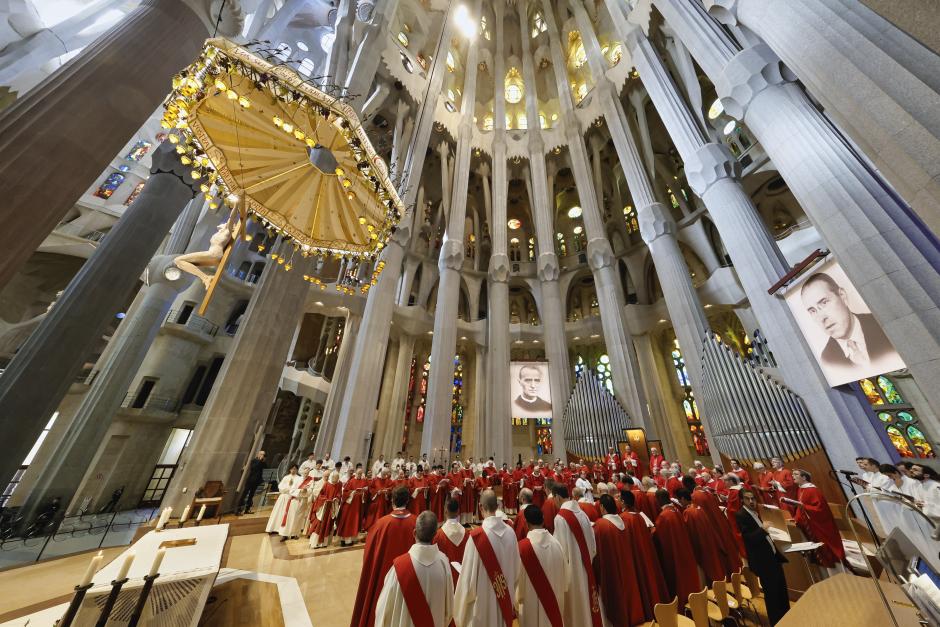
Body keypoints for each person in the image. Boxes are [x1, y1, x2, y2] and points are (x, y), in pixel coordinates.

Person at [350, 486, 417, 627]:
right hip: (411, 580)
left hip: (383, 577)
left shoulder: (381, 524)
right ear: (408, 500)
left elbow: (369, 554)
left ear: (392, 500)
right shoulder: (416, 523)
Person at [375, 511, 454, 627]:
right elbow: (449, 610)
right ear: (435, 535)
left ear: (414, 533)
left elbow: (383, 611)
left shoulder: (399, 567)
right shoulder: (444, 564)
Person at [800, 272, 894, 370]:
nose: (821, 317)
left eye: (824, 303)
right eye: (813, 311)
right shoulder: (828, 359)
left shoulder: (882, 323)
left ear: (842, 296)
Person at [454, 489, 520, 626]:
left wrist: (459, 612)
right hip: (505, 602)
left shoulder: (477, 537)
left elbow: (467, 582)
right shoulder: (511, 533)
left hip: (482, 609)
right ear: (498, 506)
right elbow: (516, 572)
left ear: (480, 507)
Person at [736, 489, 790, 625]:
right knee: (772, 596)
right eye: (748, 499)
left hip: (772, 558)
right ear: (742, 500)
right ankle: (778, 622)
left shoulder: (754, 512)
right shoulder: (741, 515)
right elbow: (748, 538)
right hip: (763, 562)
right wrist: (763, 529)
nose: (752, 501)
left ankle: (789, 618)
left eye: (753, 498)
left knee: (781, 591)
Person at [552, 484, 602, 627]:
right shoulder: (582, 513)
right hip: (587, 568)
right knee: (587, 604)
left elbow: (560, 552)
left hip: (572, 573)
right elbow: (593, 546)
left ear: (557, 497)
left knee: (576, 611)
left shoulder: (560, 518)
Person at [593, 494, 645, 626]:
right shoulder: (623, 521)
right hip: (627, 566)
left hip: (612, 571)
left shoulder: (601, 525)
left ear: (603, 507)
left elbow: (596, 553)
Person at [619, 490, 668, 622]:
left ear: (623, 501)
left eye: (620, 498)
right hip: (647, 554)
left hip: (635, 557)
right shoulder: (640, 515)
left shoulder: (624, 518)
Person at [516, 505, 567, 627]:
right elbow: (565, 581)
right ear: (543, 520)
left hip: (531, 605)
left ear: (526, 523)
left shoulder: (522, 548)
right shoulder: (557, 544)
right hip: (554, 606)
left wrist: (517, 600)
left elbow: (518, 586)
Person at [652, 489, 701, 607]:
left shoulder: (663, 516)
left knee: (679, 583)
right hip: (685, 551)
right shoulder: (676, 510)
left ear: (658, 500)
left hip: (675, 554)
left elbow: (658, 535)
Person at [786, 469, 845, 568]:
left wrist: (803, 506)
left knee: (828, 550)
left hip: (820, 525)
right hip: (810, 523)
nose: (792, 476)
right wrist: (796, 518)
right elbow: (801, 507)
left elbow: (820, 509)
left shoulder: (812, 490)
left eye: (795, 474)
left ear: (804, 477)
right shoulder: (801, 489)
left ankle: (837, 568)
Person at [677, 488, 729, 583]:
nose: (680, 503)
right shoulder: (698, 507)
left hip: (702, 545)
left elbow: (690, 532)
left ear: (683, 499)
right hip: (709, 541)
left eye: (679, 500)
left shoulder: (688, 512)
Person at [433, 498, 467, 583]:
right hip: (463, 579)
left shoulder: (438, 535)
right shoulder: (467, 534)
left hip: (445, 580)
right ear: (458, 511)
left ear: (445, 511)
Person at [266, 464, 300, 538]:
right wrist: (287, 489)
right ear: (289, 470)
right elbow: (280, 487)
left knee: (288, 515)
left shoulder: (299, 478)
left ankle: (285, 531)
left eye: (295, 469)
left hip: (291, 498)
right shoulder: (286, 477)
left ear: (297, 470)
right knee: (279, 513)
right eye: (292, 469)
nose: (293, 470)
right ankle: (275, 528)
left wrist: (291, 490)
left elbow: (298, 488)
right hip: (283, 497)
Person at [309, 470, 342, 548]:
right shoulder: (327, 484)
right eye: (334, 478)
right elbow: (320, 495)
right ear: (332, 477)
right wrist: (325, 500)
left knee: (328, 525)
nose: (335, 480)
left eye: (337, 478)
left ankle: (324, 543)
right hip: (324, 508)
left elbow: (339, 494)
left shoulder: (339, 484)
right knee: (319, 525)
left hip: (332, 508)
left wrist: (336, 499)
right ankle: (315, 543)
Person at [337, 465, 368, 546]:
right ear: (355, 473)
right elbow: (345, 492)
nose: (360, 475)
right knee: (348, 522)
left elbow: (366, 492)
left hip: (358, 506)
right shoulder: (351, 481)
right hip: (350, 506)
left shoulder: (363, 481)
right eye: (358, 473)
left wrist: (364, 491)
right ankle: (345, 540)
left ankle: (352, 539)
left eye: (361, 474)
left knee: (355, 522)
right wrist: (353, 492)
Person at [238, 450, 266, 514]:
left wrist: (263, 460)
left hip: (256, 481)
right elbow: (254, 468)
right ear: (258, 454)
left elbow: (265, 466)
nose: (262, 456)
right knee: (244, 494)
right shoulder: (254, 461)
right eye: (261, 454)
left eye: (263, 455)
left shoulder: (261, 462)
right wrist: (259, 460)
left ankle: (247, 509)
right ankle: (238, 509)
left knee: (251, 495)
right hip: (250, 480)